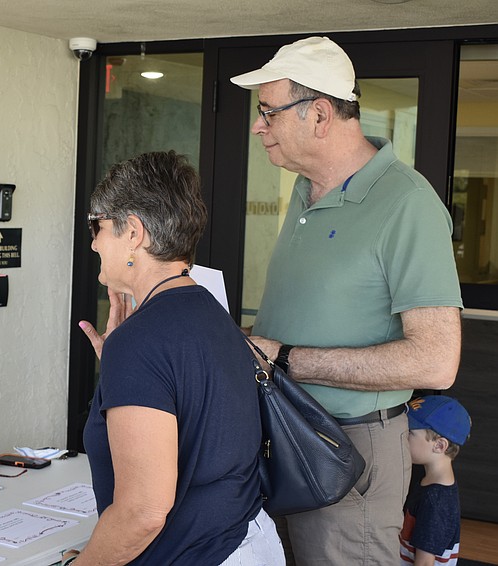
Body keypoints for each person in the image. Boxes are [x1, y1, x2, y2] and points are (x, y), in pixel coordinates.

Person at [229, 36, 463, 564]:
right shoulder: (305, 191)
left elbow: (436, 360)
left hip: (348, 448)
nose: (257, 125)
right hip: (278, 434)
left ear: (318, 114)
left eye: (267, 111)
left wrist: (286, 357)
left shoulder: (407, 204)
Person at [69, 151, 284, 565]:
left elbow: (143, 513)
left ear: (133, 231)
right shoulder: (213, 314)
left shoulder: (139, 343)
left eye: (98, 226)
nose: (94, 241)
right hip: (246, 542)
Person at [400, 395, 471, 566]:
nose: (402, 438)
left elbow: (425, 563)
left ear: (439, 445)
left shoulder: (436, 501)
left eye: (409, 433)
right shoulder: (429, 483)